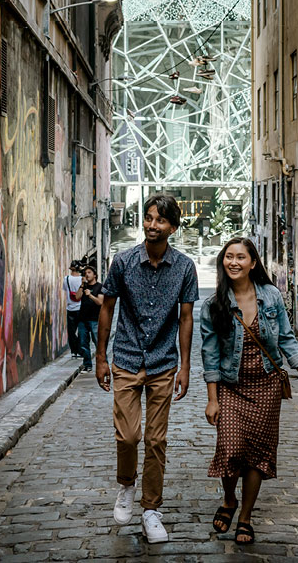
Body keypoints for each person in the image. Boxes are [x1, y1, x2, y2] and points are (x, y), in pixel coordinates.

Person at [199, 237, 298, 546]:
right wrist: (212, 399)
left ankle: (245, 516)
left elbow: (286, 338)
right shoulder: (214, 305)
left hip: (266, 386)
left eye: (241, 257)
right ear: (223, 262)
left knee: (258, 456)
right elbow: (210, 355)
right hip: (230, 387)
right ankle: (229, 499)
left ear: (253, 263)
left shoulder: (271, 296)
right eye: (229, 256)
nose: (234, 262)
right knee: (230, 449)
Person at [96, 194, 198, 544]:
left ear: (173, 228)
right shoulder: (123, 262)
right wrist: (100, 357)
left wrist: (185, 366)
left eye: (160, 220)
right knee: (127, 436)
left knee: (156, 440)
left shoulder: (184, 267)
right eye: (149, 218)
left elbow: (186, 318)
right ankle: (127, 485)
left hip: (163, 363)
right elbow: (107, 308)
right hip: (126, 358)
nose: (152, 225)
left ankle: (151, 509)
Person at [75, 265, 103, 372]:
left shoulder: (100, 287)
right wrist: (82, 285)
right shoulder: (83, 287)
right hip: (82, 319)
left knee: (98, 343)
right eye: (85, 273)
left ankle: (101, 364)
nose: (87, 274)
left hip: (95, 319)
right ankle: (87, 365)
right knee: (83, 344)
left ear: (95, 275)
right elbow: (77, 297)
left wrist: (90, 295)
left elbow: (100, 302)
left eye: (89, 272)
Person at [64, 262, 83, 359]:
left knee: (71, 332)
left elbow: (65, 289)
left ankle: (73, 351)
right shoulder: (82, 279)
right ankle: (80, 350)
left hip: (70, 307)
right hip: (80, 307)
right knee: (81, 331)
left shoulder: (66, 279)